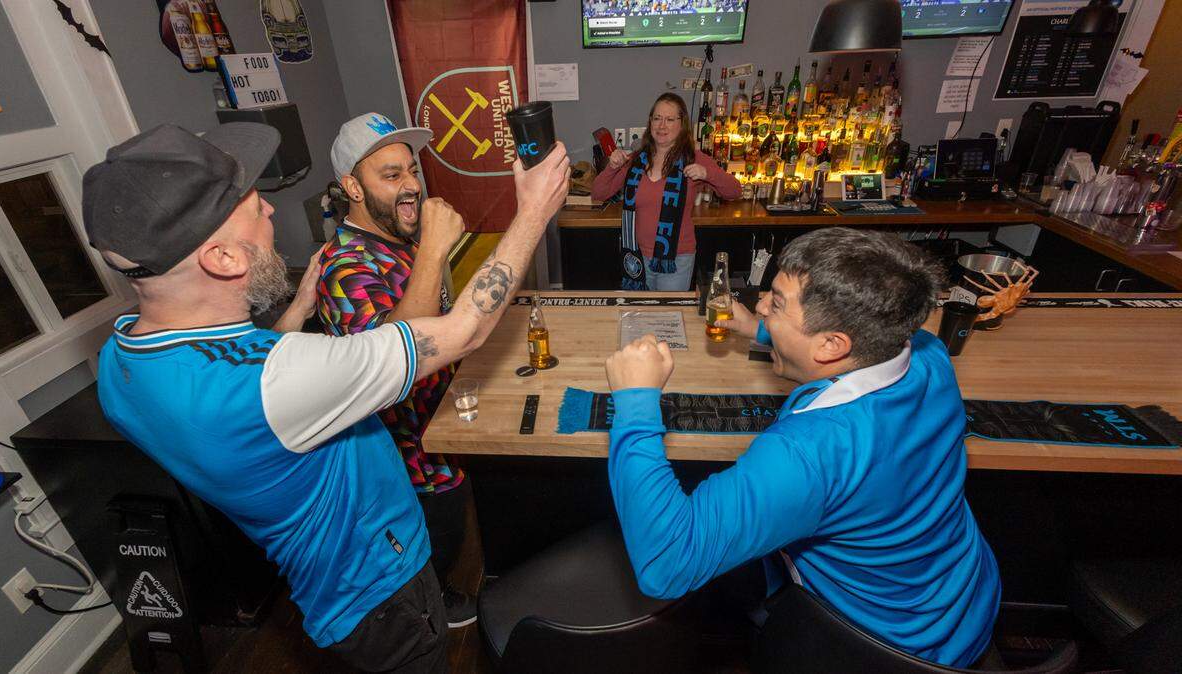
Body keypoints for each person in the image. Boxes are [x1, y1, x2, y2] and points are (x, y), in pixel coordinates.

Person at [84, 122, 569, 673]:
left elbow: (240, 376)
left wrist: (294, 313)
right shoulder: (278, 383)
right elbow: (465, 330)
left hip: (324, 586)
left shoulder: (119, 364)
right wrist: (534, 211)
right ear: (222, 258)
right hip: (381, 589)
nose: (272, 210)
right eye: (255, 207)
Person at [603, 228, 1001, 668]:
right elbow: (849, 353)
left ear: (831, 344)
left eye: (776, 303)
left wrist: (635, 402)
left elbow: (666, 565)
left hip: (885, 647)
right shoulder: (929, 355)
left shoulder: (807, 454)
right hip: (963, 599)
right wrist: (763, 331)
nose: (760, 305)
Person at [316, 113, 475, 627]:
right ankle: (430, 610)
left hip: (441, 440)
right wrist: (434, 250)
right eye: (391, 175)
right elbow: (396, 357)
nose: (411, 186)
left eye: (412, 171)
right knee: (428, 558)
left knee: (455, 530)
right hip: (409, 471)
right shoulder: (345, 268)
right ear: (352, 188)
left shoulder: (396, 242)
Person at [590, 92, 740, 291]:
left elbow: (734, 191)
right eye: (657, 118)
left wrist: (707, 173)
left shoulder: (693, 159)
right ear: (650, 122)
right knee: (638, 310)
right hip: (636, 257)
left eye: (670, 119)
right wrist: (612, 167)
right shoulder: (635, 160)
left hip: (676, 260)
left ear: (682, 124)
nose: (662, 125)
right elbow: (598, 194)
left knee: (667, 311)